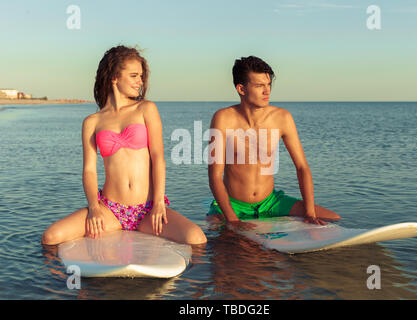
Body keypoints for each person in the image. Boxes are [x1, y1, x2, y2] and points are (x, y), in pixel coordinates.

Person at [42, 45, 206, 245]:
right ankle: (61, 277)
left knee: (196, 238)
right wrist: (94, 207)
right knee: (51, 237)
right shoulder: (92, 122)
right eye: (134, 76)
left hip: (147, 210)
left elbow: (158, 158)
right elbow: (89, 171)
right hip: (110, 210)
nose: (140, 82)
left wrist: (159, 203)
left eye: (141, 76)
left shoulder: (146, 109)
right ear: (114, 77)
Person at [207, 56, 341, 227]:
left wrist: (309, 213)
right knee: (213, 232)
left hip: (270, 202)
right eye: (259, 86)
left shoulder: (282, 118)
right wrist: (233, 220)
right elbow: (215, 177)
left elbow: (302, 167)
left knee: (332, 218)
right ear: (241, 89)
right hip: (233, 204)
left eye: (268, 84)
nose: (267, 91)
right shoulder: (223, 118)